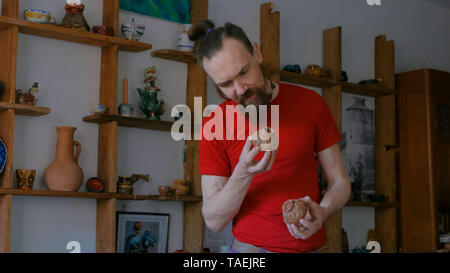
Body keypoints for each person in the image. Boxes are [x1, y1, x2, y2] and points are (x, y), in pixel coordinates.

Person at [189, 20, 351, 253]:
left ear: (257, 52)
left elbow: (340, 182)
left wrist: (324, 210)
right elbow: (214, 220)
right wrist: (243, 172)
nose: (240, 89)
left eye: (243, 72)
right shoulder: (215, 123)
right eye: (226, 84)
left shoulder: (311, 103)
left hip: (312, 248)